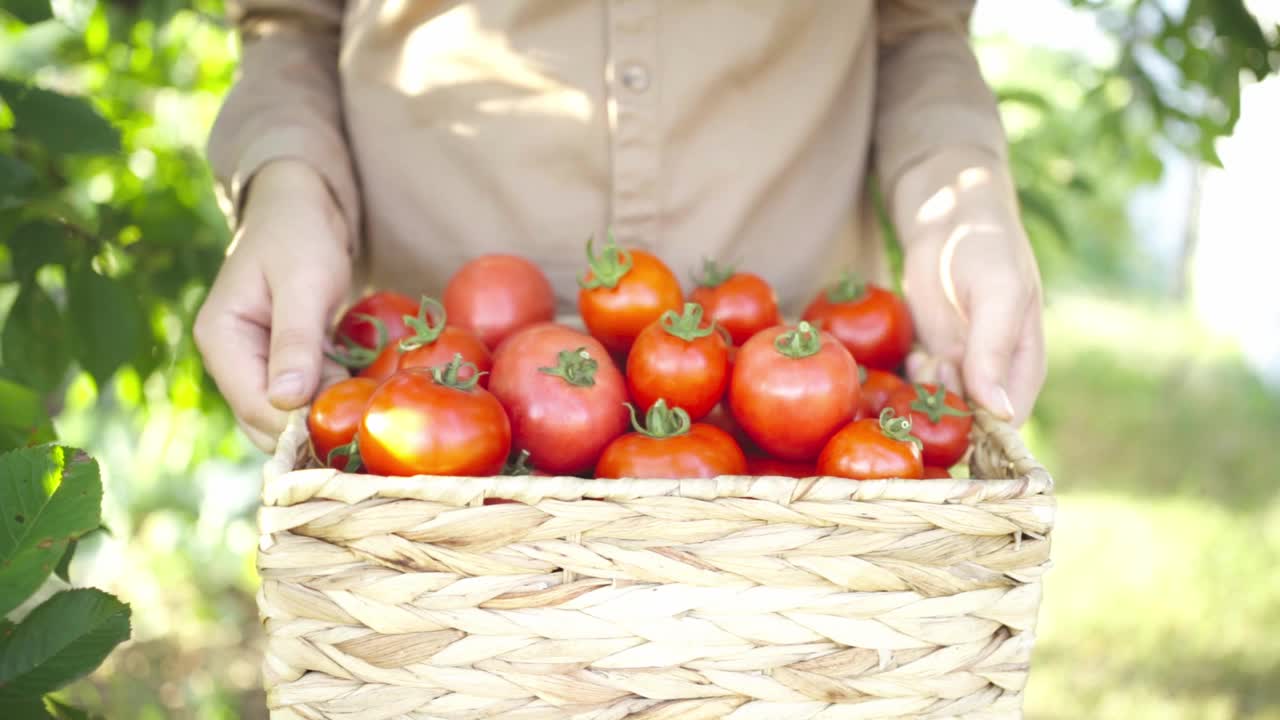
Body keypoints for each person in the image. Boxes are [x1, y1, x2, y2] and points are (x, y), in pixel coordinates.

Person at [195, 0, 1046, 452]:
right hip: (414, 417)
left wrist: (961, 196)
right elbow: (291, 22)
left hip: (811, 449)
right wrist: (287, 184)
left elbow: (916, 25)